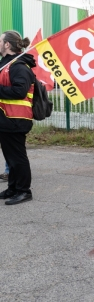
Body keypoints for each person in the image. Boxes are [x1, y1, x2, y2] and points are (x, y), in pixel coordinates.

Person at [0, 30, 36, 205]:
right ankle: (13, 188)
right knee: (10, 157)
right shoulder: (6, 64)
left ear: (7, 44)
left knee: (18, 157)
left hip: (16, 119)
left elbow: (19, 91)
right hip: (7, 119)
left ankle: (24, 191)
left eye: (0, 40)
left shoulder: (19, 66)